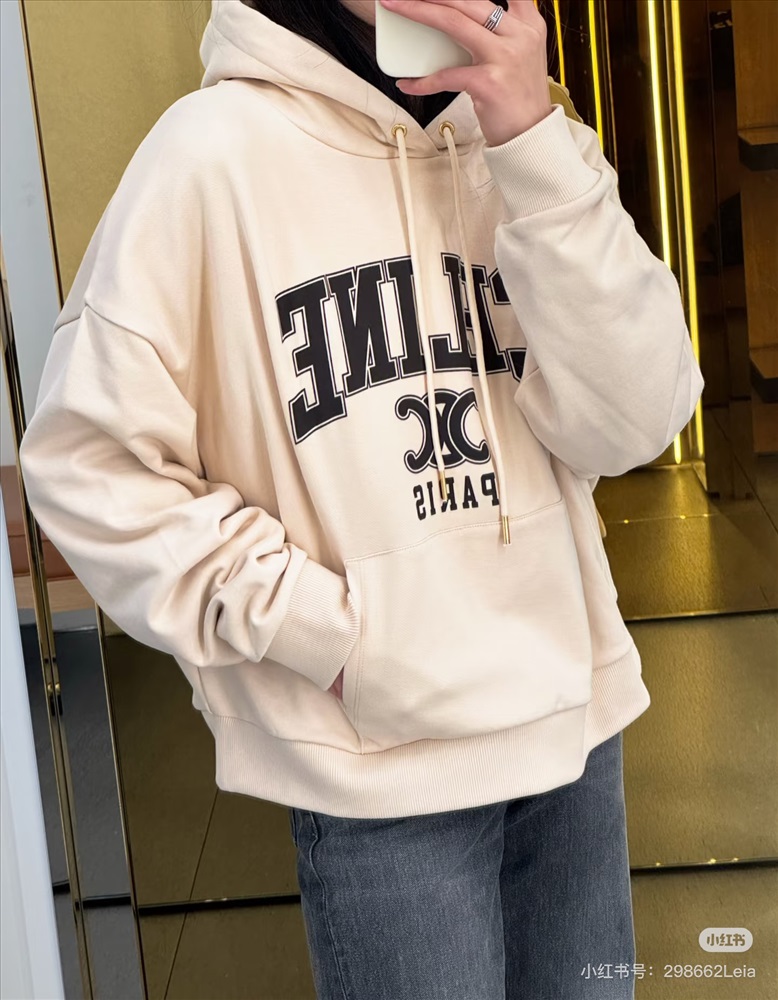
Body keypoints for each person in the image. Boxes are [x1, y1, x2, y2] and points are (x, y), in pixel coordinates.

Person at [18, 0, 704, 996]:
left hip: (573, 735)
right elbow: (86, 467)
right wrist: (326, 635)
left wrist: (532, 143)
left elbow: (637, 420)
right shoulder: (210, 157)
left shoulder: (521, 136)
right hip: (382, 784)